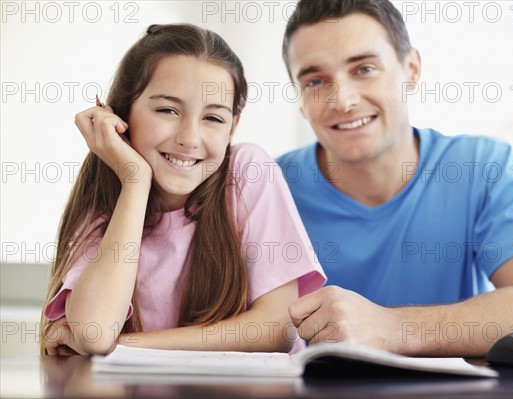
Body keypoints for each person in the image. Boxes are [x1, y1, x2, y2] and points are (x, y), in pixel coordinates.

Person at [278, 0, 513, 356]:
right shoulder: (267, 188)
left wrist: (393, 328)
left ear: (410, 68)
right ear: (300, 101)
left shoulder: (482, 167)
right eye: (315, 81)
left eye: (364, 68)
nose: (343, 100)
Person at [40, 23, 325, 356]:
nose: (189, 138)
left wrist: (122, 345)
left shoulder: (248, 171)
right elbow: (93, 333)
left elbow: (276, 330)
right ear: (122, 113)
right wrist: (134, 180)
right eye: (167, 110)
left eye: (213, 118)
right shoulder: (106, 199)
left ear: (232, 127)